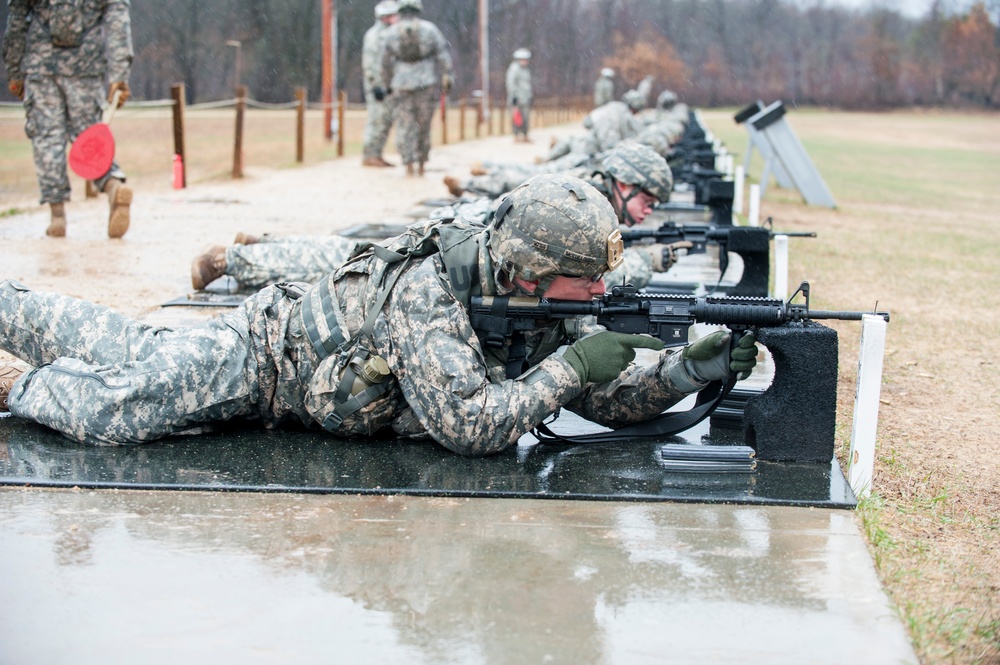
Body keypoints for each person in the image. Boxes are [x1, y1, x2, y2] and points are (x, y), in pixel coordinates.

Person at [0, 174, 757, 456]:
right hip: (261, 354)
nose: (599, 293)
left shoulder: (540, 300)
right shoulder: (432, 291)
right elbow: (470, 426)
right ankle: (14, 384)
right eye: (582, 280)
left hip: (289, 396)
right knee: (123, 408)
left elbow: (597, 396)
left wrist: (685, 371)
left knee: (131, 345)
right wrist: (568, 365)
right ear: (530, 269)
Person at [192, 143, 683, 292]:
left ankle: (261, 242)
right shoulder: (588, 205)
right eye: (648, 201)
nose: (647, 213)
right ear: (623, 183)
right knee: (355, 264)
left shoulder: (589, 200)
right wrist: (651, 261)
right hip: (461, 236)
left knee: (354, 256)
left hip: (469, 230)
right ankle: (229, 259)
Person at [2, 0, 134, 239]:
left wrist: (14, 70)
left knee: (47, 138)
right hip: (86, 65)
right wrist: (119, 74)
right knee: (89, 136)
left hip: (41, 65)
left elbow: (18, 19)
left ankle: (57, 216)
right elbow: (117, 17)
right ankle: (112, 184)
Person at [379, 0, 454, 177]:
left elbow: (385, 63)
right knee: (423, 124)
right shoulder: (430, 29)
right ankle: (421, 160)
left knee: (404, 124)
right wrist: (447, 76)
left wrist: (386, 84)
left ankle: (408, 161)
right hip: (425, 82)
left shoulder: (390, 33)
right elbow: (442, 54)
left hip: (401, 83)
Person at [361, 0, 400, 168]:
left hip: (388, 86)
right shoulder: (374, 35)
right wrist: (376, 85)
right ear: (385, 17)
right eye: (393, 15)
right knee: (377, 120)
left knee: (385, 120)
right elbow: (370, 64)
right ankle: (370, 155)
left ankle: (377, 154)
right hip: (378, 86)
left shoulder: (389, 34)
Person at [505, 48, 533, 143]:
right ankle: (516, 136)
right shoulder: (514, 69)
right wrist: (513, 97)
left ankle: (525, 136)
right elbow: (511, 84)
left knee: (526, 118)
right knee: (517, 118)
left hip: (525, 99)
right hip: (516, 99)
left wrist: (530, 96)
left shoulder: (526, 70)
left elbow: (527, 85)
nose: (525, 61)